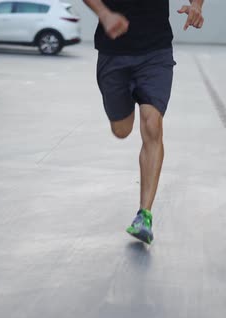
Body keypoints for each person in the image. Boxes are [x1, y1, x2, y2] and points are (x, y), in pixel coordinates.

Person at [82, 0, 205, 244]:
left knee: (152, 125)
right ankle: (126, 100)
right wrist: (104, 14)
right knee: (121, 130)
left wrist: (197, 6)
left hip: (155, 52)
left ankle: (144, 215)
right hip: (113, 51)